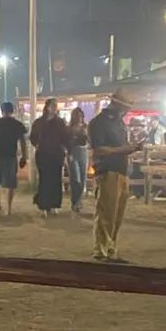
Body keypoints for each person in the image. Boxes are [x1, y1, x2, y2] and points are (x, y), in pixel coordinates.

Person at [88, 93, 135, 262]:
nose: (126, 111)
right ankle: (101, 250)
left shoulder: (118, 123)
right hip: (108, 170)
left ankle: (110, 249)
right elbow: (99, 149)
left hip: (121, 170)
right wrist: (125, 149)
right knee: (106, 212)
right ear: (117, 105)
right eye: (126, 107)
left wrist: (129, 148)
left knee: (117, 215)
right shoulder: (99, 123)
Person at [30, 98, 71, 216]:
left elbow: (66, 137)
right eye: (52, 106)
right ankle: (43, 205)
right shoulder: (39, 122)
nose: (54, 108)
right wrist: (36, 144)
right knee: (44, 179)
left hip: (56, 154)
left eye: (55, 106)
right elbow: (33, 136)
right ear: (47, 107)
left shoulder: (60, 122)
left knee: (56, 179)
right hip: (42, 154)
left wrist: (66, 150)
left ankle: (54, 205)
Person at [0, 100, 27, 216]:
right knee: (10, 183)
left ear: (2, 111)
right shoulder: (18, 125)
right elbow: (23, 141)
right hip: (11, 156)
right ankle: (9, 208)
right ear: (12, 111)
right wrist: (24, 156)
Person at [67, 107, 90, 212]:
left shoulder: (85, 127)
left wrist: (86, 134)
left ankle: (78, 202)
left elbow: (90, 140)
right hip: (73, 152)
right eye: (77, 116)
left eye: (81, 116)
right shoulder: (69, 128)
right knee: (75, 178)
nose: (79, 118)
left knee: (83, 177)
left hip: (83, 151)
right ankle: (75, 201)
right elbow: (66, 143)